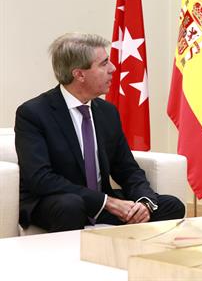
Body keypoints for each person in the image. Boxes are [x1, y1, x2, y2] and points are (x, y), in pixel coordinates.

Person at [15, 33, 185, 232]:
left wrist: (144, 201)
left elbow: (127, 168)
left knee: (171, 205)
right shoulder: (34, 113)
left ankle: (131, 258)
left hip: (101, 202)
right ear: (79, 74)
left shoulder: (107, 112)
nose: (113, 69)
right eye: (104, 64)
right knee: (71, 206)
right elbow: (41, 179)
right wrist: (107, 202)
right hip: (55, 202)